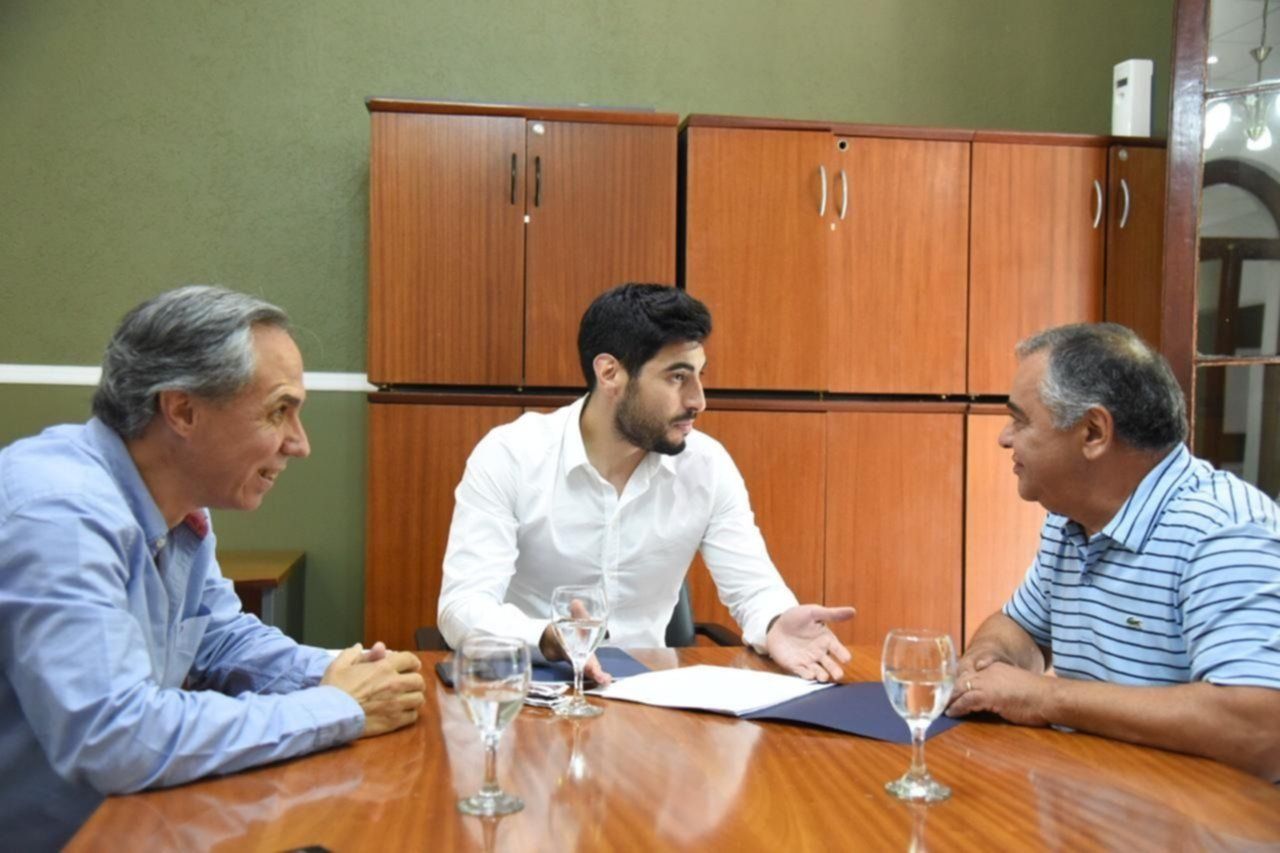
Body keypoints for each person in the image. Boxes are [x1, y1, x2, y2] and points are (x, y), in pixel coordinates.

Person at [0, 286, 425, 849]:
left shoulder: (180, 508)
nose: (300, 444)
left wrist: (348, 670)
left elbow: (221, 640)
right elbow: (114, 738)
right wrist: (337, 705)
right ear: (182, 410)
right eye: (279, 411)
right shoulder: (60, 514)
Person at [437, 283, 854, 682]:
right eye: (677, 377)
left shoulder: (707, 466)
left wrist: (776, 620)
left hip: (651, 696)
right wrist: (547, 637)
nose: (698, 400)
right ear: (610, 373)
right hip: (537, 690)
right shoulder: (511, 455)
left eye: (700, 375)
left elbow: (754, 587)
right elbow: (462, 606)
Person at [947, 323, 1280, 780]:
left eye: (1021, 420)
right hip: (1094, 797)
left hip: (1193, 815)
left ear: (1093, 432)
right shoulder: (1070, 517)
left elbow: (1260, 726)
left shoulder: (1225, 531)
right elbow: (1021, 628)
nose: (1005, 438)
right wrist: (987, 661)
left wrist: (1043, 697)